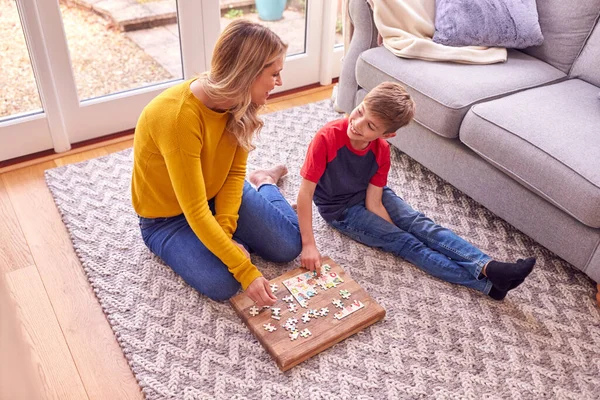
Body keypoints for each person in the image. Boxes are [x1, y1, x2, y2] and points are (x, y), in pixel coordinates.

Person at [297, 82, 535, 300]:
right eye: (360, 111)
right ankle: (488, 286)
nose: (357, 124)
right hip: (340, 211)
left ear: (387, 135)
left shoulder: (381, 150)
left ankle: (489, 267)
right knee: (407, 243)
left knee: (420, 225)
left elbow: (374, 202)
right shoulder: (327, 138)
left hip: (368, 196)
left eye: (370, 125)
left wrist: (394, 225)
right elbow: (305, 193)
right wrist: (309, 244)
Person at [131, 20, 301, 307]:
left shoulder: (240, 103)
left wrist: (225, 231)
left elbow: (234, 174)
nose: (279, 82)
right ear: (248, 73)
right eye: (274, 74)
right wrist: (244, 269)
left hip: (216, 191)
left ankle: (265, 183)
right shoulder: (177, 118)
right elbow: (195, 210)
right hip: (167, 219)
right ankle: (242, 221)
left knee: (289, 246)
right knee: (224, 283)